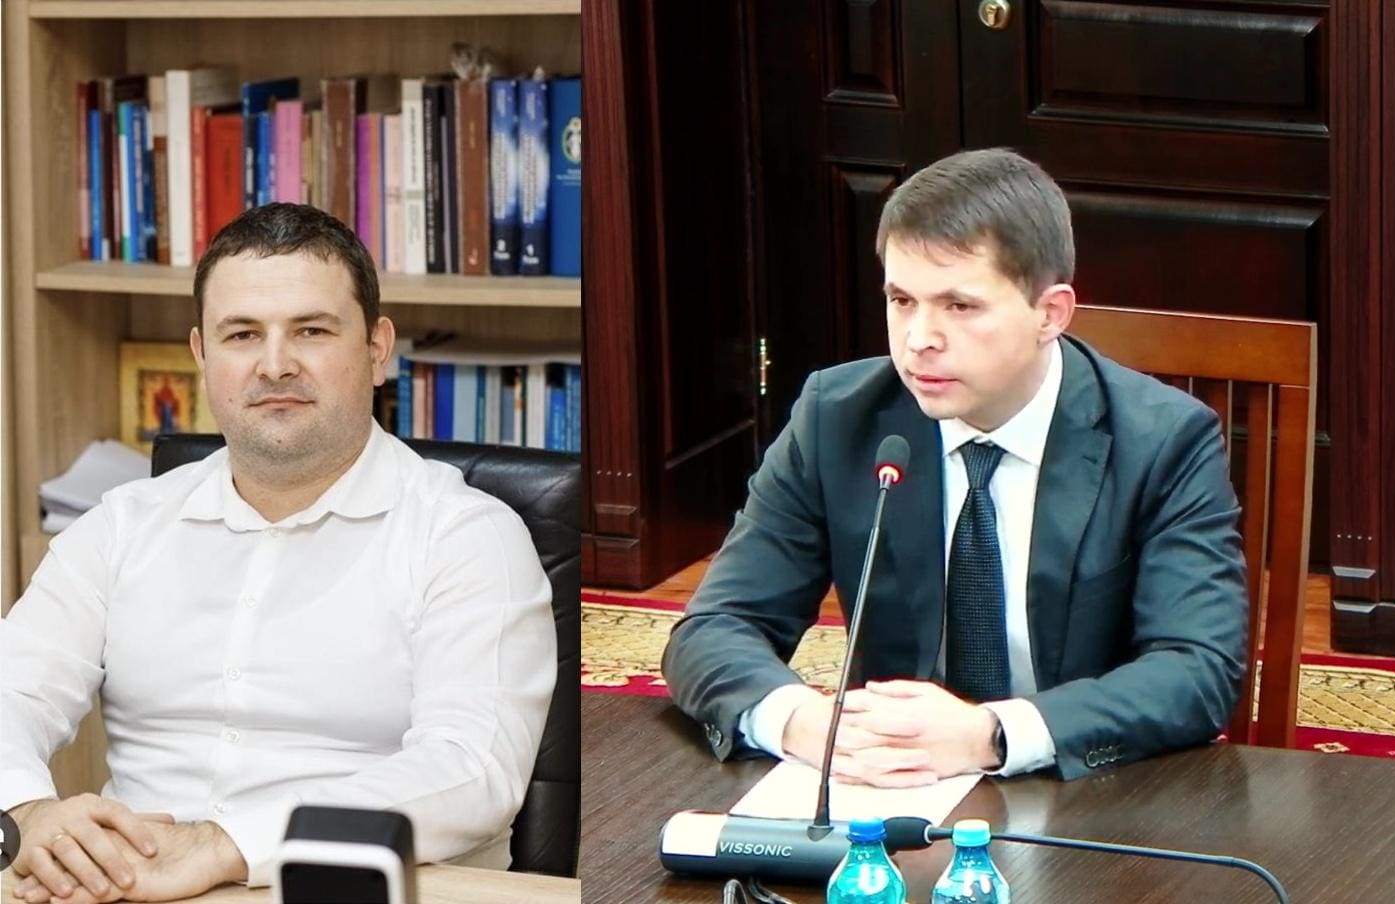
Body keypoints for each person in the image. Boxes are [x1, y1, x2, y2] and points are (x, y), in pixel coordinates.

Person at [1, 204, 556, 904]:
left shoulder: (468, 538)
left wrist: (219, 844)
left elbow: (471, 769)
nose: (274, 365)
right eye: (242, 335)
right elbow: (12, 689)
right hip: (128, 886)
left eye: (311, 331)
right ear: (202, 355)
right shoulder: (121, 526)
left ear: (377, 348)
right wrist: (27, 812)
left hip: (357, 888)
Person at [662, 148, 1247, 787]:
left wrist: (991, 735)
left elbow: (1197, 669)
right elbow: (714, 628)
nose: (919, 339)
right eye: (901, 300)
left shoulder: (1163, 441)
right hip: (895, 789)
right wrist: (803, 721)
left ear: (1050, 313)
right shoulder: (839, 419)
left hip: (1086, 790)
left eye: (959, 306)